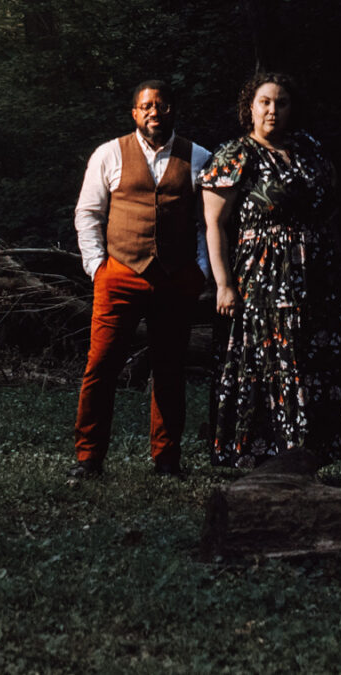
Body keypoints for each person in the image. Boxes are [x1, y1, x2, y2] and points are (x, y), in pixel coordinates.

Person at [201, 70, 341, 467]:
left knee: (314, 358)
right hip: (263, 277)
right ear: (250, 108)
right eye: (265, 102)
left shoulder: (308, 148)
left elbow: (332, 201)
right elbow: (214, 224)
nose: (274, 110)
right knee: (273, 359)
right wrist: (223, 284)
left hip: (315, 276)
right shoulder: (235, 155)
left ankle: (314, 450)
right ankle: (271, 453)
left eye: (282, 102)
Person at [70, 79, 212, 479]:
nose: (154, 112)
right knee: (100, 365)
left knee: (170, 367)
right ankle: (88, 458)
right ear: (134, 112)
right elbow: (88, 214)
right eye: (146, 106)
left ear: (172, 110)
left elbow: (206, 222)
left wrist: (200, 269)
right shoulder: (109, 154)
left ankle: (166, 459)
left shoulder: (198, 157)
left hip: (175, 278)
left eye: (162, 105)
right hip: (119, 274)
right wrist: (97, 266)